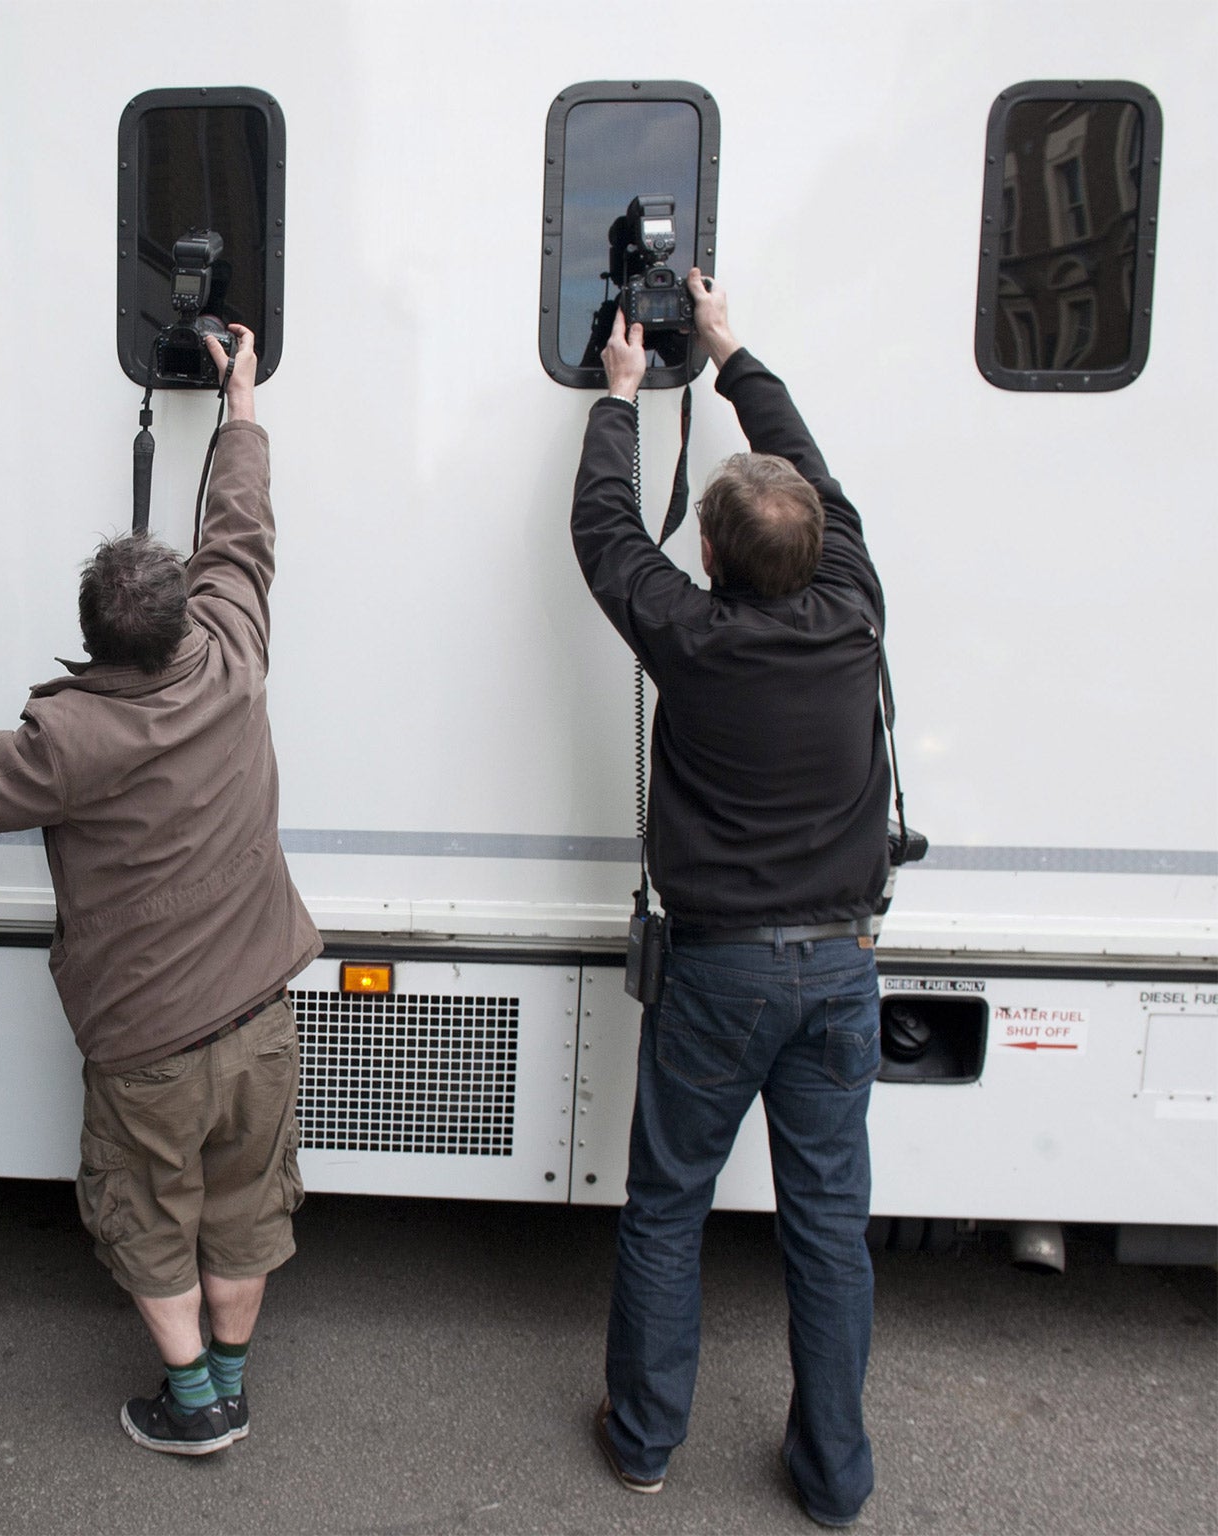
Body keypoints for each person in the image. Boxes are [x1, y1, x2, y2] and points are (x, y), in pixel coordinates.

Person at [0, 324, 320, 1457]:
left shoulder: (64, 735)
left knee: (150, 1215)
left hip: (149, 1046)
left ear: (90, 636)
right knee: (241, 1212)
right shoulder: (230, 652)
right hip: (262, 1021)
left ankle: (192, 1407)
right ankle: (229, 1382)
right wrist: (240, 411)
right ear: (176, 620)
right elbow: (239, 535)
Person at [572, 274, 889, 1528]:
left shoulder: (688, 635)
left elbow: (603, 531)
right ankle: (831, 1478)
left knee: (666, 1210)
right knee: (826, 1232)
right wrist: (732, 351)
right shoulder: (854, 609)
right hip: (840, 969)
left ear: (704, 555)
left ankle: (644, 1445)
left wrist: (618, 396)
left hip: (717, 976)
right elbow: (810, 474)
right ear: (816, 544)